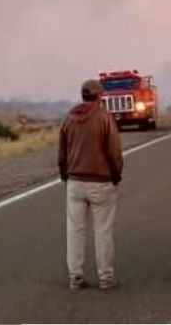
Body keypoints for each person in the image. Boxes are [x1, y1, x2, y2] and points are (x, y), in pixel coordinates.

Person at [58, 78, 124, 291]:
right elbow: (114, 152)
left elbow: (62, 153)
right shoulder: (104, 118)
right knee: (103, 231)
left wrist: (65, 175)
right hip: (100, 182)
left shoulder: (69, 118)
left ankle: (75, 276)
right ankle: (106, 277)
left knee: (75, 231)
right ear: (99, 96)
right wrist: (116, 175)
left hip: (75, 181)